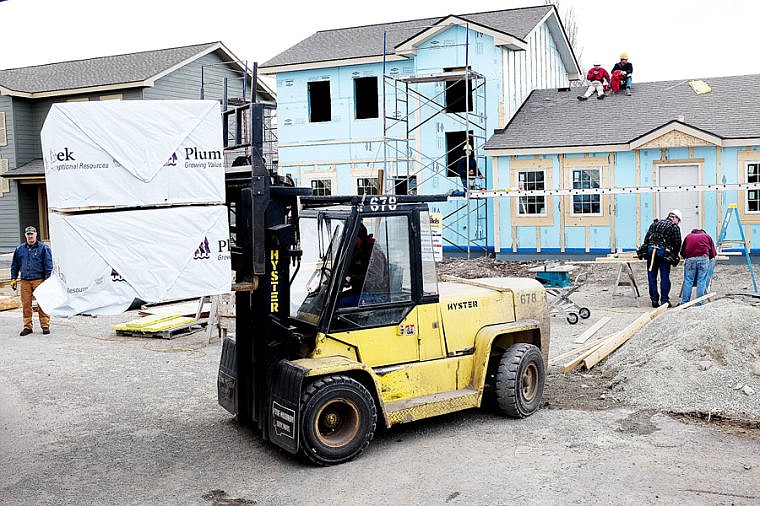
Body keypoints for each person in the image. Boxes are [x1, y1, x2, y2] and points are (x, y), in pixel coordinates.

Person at [10, 226, 53, 335]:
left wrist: (48, 281)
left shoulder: (43, 248)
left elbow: (48, 265)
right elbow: (14, 265)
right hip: (25, 281)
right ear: (25, 236)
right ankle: (27, 326)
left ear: (36, 235)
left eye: (32, 234)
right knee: (26, 304)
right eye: (28, 234)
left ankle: (45, 325)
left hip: (39, 280)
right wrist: (13, 278)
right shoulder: (19, 249)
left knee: (42, 303)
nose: (30, 236)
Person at [638, 209, 682, 308]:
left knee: (652, 276)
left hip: (651, 250)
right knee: (664, 276)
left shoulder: (655, 224)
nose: (678, 223)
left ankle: (654, 300)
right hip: (663, 252)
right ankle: (664, 301)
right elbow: (677, 243)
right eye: (678, 221)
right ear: (675, 218)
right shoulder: (674, 227)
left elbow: (646, 239)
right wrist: (675, 255)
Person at [339, 223, 389, 307]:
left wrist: (352, 279)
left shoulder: (374, 252)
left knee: (340, 303)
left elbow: (375, 280)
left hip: (376, 294)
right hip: (360, 291)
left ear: (358, 238)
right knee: (332, 300)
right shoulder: (357, 250)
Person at [680, 228, 717, 306]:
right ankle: (699, 303)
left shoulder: (688, 236)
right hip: (703, 258)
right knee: (701, 281)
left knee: (688, 280)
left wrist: (685, 256)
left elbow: (682, 252)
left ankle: (684, 302)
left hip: (690, 259)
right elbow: (713, 253)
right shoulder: (707, 237)